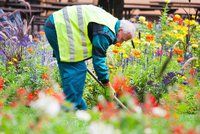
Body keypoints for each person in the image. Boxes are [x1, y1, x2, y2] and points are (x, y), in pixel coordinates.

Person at [44, 5, 136, 110]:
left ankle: (79, 109)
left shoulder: (111, 22)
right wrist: (107, 85)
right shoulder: (106, 32)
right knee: (76, 71)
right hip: (59, 28)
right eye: (122, 39)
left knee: (76, 70)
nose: (120, 43)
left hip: (57, 25)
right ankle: (68, 111)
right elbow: (99, 60)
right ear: (120, 30)